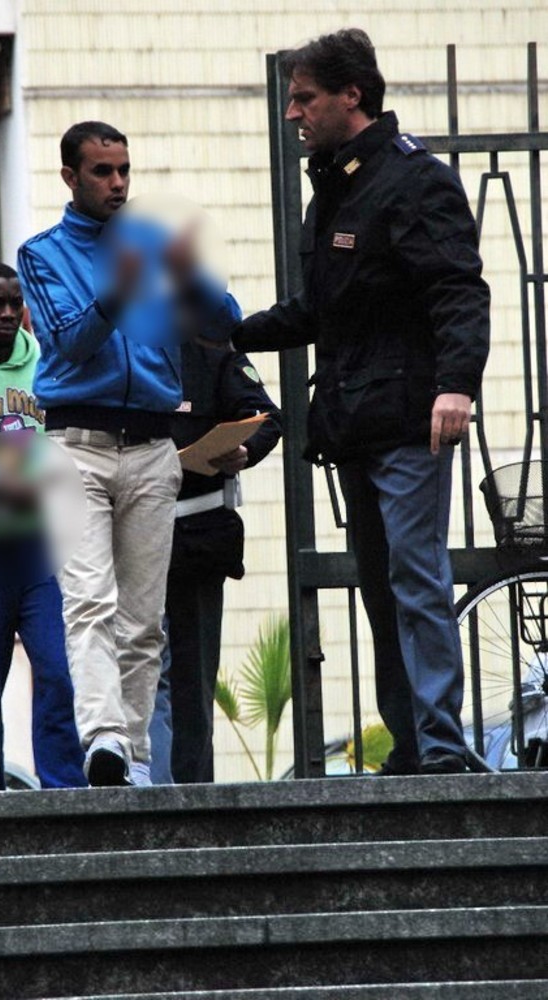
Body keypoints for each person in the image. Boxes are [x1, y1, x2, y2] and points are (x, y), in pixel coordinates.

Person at [210, 29, 490, 775]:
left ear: (351, 96)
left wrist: (457, 385)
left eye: (304, 99)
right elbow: (320, 310)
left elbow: (459, 289)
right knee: (382, 590)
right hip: (354, 423)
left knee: (415, 578)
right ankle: (411, 747)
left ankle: (441, 751)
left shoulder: (413, 179)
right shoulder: (336, 187)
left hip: (408, 419)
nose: (292, 114)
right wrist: (230, 332)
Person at [17, 122, 232, 786]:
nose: (117, 183)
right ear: (70, 177)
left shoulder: (155, 244)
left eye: (124, 170)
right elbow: (69, 342)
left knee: (144, 621)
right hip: (74, 446)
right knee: (89, 600)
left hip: (151, 445)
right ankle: (103, 737)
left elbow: (224, 325)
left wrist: (189, 278)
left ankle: (130, 758)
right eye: (102, 171)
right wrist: (117, 291)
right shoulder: (42, 254)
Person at [0, 262, 86, 790]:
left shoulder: (44, 362)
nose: (8, 313)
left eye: (15, 303)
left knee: (57, 668)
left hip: (38, 544)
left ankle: (64, 794)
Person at [149, 341, 282, 784]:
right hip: (129, 537)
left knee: (193, 681)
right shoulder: (121, 348)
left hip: (196, 540)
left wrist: (244, 451)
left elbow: (265, 417)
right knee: (138, 676)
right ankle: (145, 791)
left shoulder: (210, 352)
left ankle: (191, 796)